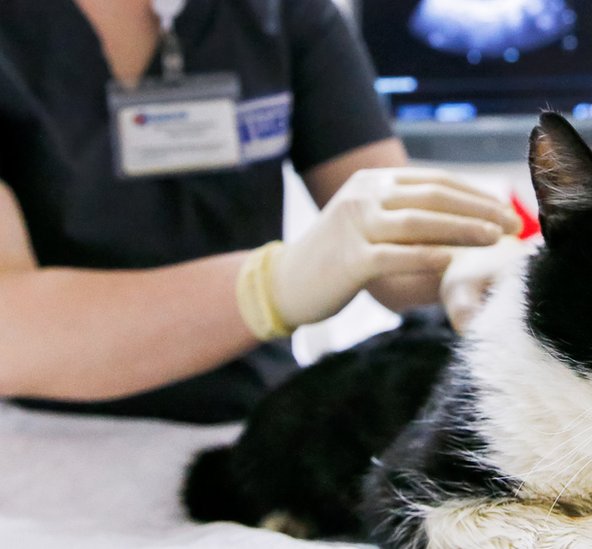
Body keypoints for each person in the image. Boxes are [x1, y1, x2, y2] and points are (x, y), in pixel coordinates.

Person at [0, 0, 521, 423]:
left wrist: (467, 262)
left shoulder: (284, 14)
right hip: (47, 439)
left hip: (247, 423)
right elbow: (12, 333)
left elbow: (396, 239)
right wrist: (272, 285)